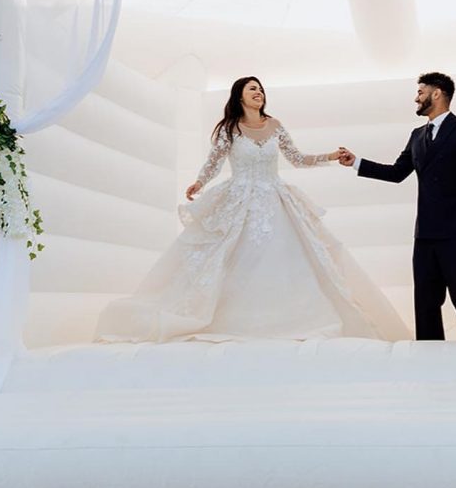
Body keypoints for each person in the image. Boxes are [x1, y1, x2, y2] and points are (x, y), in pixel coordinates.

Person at [96, 76, 409, 343]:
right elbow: (214, 161)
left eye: (260, 88)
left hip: (275, 198)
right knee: (229, 258)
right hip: (239, 199)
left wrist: (329, 156)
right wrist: (199, 183)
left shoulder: (275, 126)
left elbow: (296, 159)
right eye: (252, 89)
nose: (258, 92)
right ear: (240, 96)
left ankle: (288, 319)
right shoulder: (229, 129)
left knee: (290, 258)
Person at [338, 72, 456, 341]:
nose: (416, 98)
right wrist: (356, 162)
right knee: (425, 305)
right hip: (425, 235)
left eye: (420, 92)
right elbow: (397, 172)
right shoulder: (417, 135)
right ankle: (430, 364)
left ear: (437, 94)